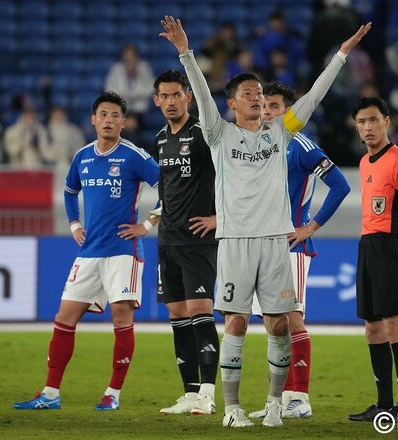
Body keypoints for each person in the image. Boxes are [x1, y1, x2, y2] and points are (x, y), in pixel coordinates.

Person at [160, 15, 370, 428]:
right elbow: (201, 94)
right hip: (236, 240)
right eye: (249, 94)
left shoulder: (281, 132)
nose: (257, 98)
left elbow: (314, 97)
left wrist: (342, 55)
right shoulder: (218, 134)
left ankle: (275, 403)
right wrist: (185, 53)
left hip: (276, 241)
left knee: (278, 325)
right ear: (232, 104)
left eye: (259, 93)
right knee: (236, 321)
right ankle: (234, 408)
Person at [13, 91, 160, 411]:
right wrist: (75, 224)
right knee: (64, 318)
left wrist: (147, 225)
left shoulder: (134, 155)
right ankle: (51, 393)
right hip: (89, 252)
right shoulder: (82, 157)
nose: (109, 120)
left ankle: (113, 394)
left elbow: (170, 187)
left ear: (123, 121)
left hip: (123, 251)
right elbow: (69, 193)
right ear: (94, 119)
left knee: (121, 317)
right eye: (103, 114)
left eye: (115, 115)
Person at [248, 81, 351, 420]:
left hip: (291, 246)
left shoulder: (302, 145)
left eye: (275, 107)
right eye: (264, 106)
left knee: (292, 319)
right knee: (272, 324)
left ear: (290, 112)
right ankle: (278, 398)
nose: (267, 112)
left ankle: (300, 398)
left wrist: (312, 225)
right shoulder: (258, 144)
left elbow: (340, 185)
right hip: (261, 245)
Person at [147, 70, 220, 416]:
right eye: (165, 96)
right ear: (156, 100)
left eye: (177, 95)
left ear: (188, 97)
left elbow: (230, 177)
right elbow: (165, 186)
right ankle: (190, 392)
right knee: (177, 313)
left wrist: (220, 218)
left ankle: (207, 393)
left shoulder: (204, 135)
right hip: (168, 241)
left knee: (199, 311)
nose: (171, 102)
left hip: (199, 241)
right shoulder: (160, 138)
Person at [348, 97, 398, 422]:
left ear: (387, 121)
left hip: (391, 246)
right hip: (367, 246)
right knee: (373, 328)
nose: (367, 127)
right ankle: (383, 403)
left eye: (373, 120)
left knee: (395, 327)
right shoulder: (366, 161)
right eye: (362, 122)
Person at [104, 44, 155, 124]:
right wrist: (121, 95)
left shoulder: (144, 68)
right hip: (121, 107)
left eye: (131, 57)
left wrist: (135, 95)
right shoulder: (117, 69)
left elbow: (151, 88)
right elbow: (109, 88)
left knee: (130, 123)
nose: (128, 59)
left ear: (136, 57)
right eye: (126, 57)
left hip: (139, 108)